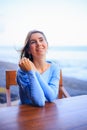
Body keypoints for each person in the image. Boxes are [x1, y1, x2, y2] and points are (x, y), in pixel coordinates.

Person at [17, 30, 60, 107]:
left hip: (48, 112)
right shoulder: (22, 71)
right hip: (27, 113)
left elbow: (52, 96)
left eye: (41, 40)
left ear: (47, 44)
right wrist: (31, 72)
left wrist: (34, 71)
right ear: (28, 50)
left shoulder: (54, 68)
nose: (39, 44)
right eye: (33, 42)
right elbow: (39, 102)